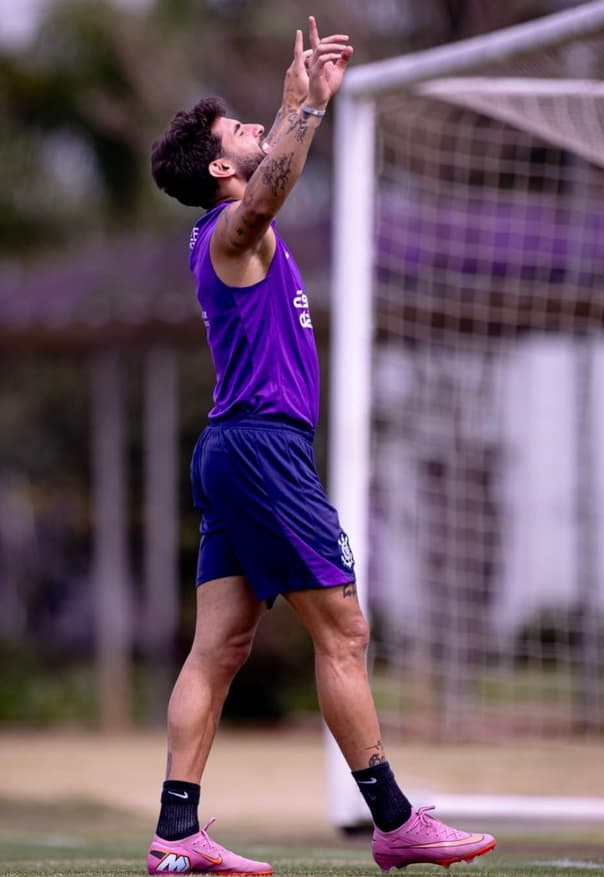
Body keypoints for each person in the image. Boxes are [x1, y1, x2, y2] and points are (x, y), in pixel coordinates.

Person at [148, 15, 496, 876]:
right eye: (241, 130)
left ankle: (176, 830)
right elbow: (267, 191)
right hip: (262, 452)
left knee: (218, 648)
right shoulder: (236, 231)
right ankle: (395, 820)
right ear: (221, 170)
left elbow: (267, 172)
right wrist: (304, 111)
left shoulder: (223, 230)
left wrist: (298, 105)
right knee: (344, 632)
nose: (257, 131)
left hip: (231, 450)